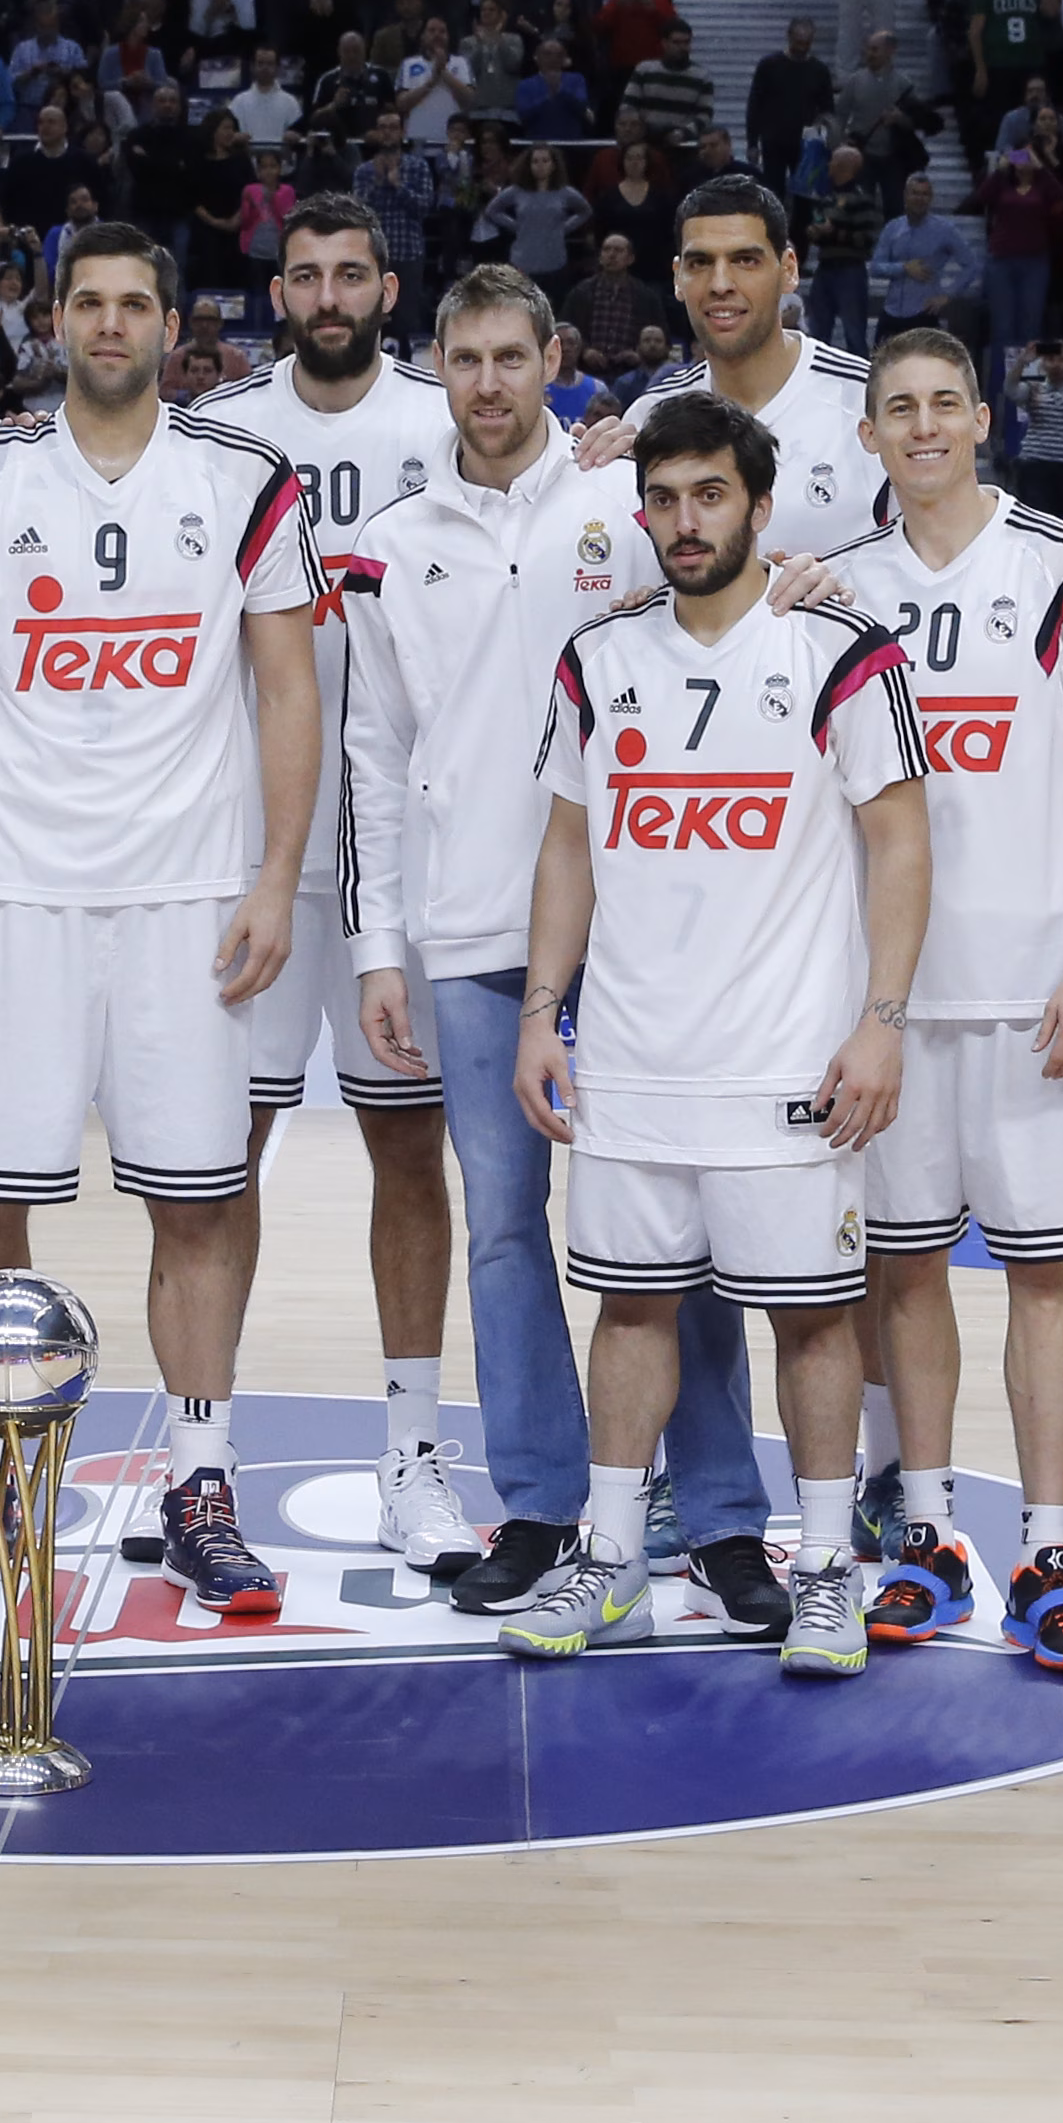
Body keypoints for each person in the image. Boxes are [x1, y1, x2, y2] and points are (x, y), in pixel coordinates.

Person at [0, 222, 321, 1618]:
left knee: (199, 1192)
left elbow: (290, 687)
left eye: (136, 301)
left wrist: (275, 876)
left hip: (187, 895)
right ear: (51, 319)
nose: (111, 323)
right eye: (89, 302)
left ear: (172, 323)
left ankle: (198, 1477)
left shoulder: (243, 477)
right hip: (9, 888)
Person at [343, 265, 786, 1626]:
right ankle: (540, 1504)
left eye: (509, 357)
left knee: (686, 1231)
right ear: (438, 364)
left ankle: (715, 1517)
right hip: (472, 927)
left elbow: (741, 609)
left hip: (645, 925)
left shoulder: (626, 501)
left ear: (553, 359)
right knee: (502, 1232)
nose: (486, 383)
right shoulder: (390, 541)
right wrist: (376, 948)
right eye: (463, 359)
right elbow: (375, 750)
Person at [510, 389, 929, 1670]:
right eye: (665, 500)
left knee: (810, 1318)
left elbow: (901, 841)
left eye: (709, 496)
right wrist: (543, 1011)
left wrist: (882, 1022)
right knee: (632, 1310)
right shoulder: (602, 659)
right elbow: (569, 846)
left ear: (755, 503)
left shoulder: (839, 652)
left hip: (789, 1058)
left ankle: (825, 1575)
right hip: (634, 1057)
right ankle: (613, 1554)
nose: (685, 522)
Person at [819, 326, 1063, 1675]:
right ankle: (932, 1537)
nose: (924, 425)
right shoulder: (833, 585)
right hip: (892, 997)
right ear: (871, 432)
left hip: (1032, 992)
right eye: (899, 407)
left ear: (984, 416)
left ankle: (1050, 1549)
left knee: (1042, 1271)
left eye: (946, 402)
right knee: (901, 1272)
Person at [194, 194, 469, 1552]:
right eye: (304, 275)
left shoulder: (439, 424)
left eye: (350, 274)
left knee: (406, 1145)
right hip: (251, 845)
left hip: (403, 844)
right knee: (216, 1150)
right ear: (278, 291)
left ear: (386, 289)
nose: (327, 295)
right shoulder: (221, 433)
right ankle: (202, 1452)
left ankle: (414, 1451)